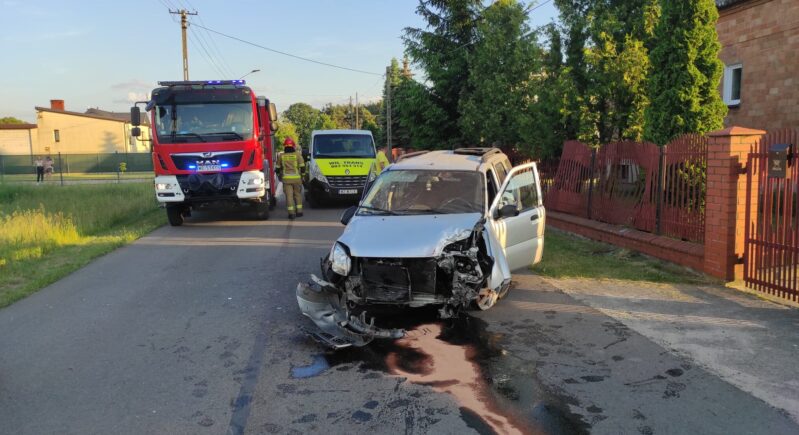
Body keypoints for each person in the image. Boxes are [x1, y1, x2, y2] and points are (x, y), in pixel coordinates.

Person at [276, 137, 305, 219]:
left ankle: (291, 213)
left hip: (286, 180)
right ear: (293, 146)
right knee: (297, 195)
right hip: (297, 179)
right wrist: (303, 176)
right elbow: (302, 167)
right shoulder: (297, 155)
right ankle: (299, 212)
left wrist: (279, 175)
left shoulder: (281, 156)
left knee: (289, 196)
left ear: (285, 146)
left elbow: (277, 168)